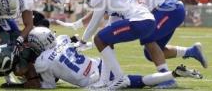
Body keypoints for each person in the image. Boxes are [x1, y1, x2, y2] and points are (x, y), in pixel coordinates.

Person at [53, 0, 208, 88]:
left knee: (148, 38)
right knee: (150, 53)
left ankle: (167, 80)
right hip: (166, 8)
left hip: (167, 8)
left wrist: (82, 27)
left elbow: (101, 2)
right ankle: (191, 51)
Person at [29, 27, 202, 89]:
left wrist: (27, 80)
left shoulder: (42, 62)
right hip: (100, 65)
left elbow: (49, 86)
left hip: (92, 81)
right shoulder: (62, 39)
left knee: (134, 82)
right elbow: (78, 44)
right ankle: (173, 74)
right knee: (130, 81)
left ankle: (173, 74)